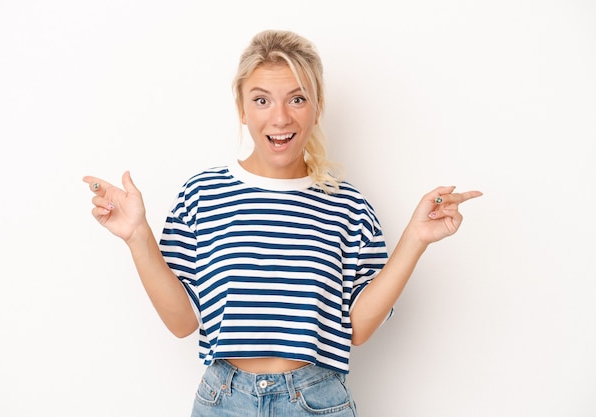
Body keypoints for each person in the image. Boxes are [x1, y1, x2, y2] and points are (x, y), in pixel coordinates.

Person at [83, 29, 482, 417]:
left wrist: (415, 238)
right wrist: (137, 236)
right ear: (241, 108)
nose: (279, 117)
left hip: (317, 400)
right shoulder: (202, 194)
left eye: (297, 99)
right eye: (261, 100)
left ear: (317, 105)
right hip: (223, 400)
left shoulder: (348, 205)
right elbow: (182, 320)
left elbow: (358, 327)